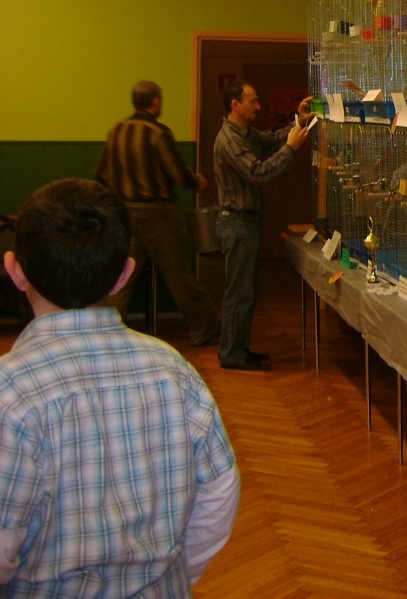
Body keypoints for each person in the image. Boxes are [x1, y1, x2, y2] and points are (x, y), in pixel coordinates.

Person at [0, 178, 240, 595]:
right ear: (124, 275)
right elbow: (219, 492)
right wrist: (177, 574)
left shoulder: (10, 392)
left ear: (14, 269)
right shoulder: (174, 370)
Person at [96, 80, 221, 346]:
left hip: (123, 214)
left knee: (122, 278)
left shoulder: (116, 131)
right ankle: (204, 327)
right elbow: (178, 173)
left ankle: (106, 333)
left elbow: (101, 175)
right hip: (157, 214)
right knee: (178, 276)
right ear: (155, 102)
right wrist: (196, 181)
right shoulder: (157, 133)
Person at [213, 80, 311, 372]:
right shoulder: (229, 140)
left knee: (245, 291)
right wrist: (291, 149)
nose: (258, 106)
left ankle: (238, 349)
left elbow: (271, 140)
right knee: (239, 293)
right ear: (235, 105)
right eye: (252, 101)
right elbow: (257, 173)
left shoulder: (244, 134)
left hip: (245, 223)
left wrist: (299, 121)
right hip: (237, 223)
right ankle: (232, 355)